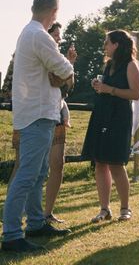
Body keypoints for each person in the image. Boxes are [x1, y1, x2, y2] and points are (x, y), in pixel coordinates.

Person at [2, 0, 75, 253]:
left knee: (38, 173)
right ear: (54, 11)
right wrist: (66, 74)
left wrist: (57, 73)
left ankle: (35, 223)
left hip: (37, 113)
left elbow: (56, 70)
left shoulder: (28, 33)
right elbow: (65, 69)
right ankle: (11, 235)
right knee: (26, 176)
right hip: (38, 114)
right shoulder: (40, 36)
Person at [81, 30, 139, 223]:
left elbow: (135, 94)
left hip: (119, 117)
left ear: (116, 45)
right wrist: (99, 85)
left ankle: (125, 208)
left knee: (116, 163)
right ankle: (104, 209)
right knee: (100, 162)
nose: (104, 47)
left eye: (107, 43)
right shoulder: (108, 65)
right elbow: (106, 88)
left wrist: (110, 89)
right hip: (103, 114)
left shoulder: (131, 65)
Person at [44, 22, 76, 224]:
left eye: (59, 36)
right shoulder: (43, 54)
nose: (59, 39)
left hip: (56, 115)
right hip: (38, 115)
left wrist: (70, 63)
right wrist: (68, 70)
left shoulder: (60, 59)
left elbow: (67, 88)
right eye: (56, 35)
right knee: (28, 167)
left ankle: (47, 213)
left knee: (58, 164)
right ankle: (22, 212)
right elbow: (57, 82)